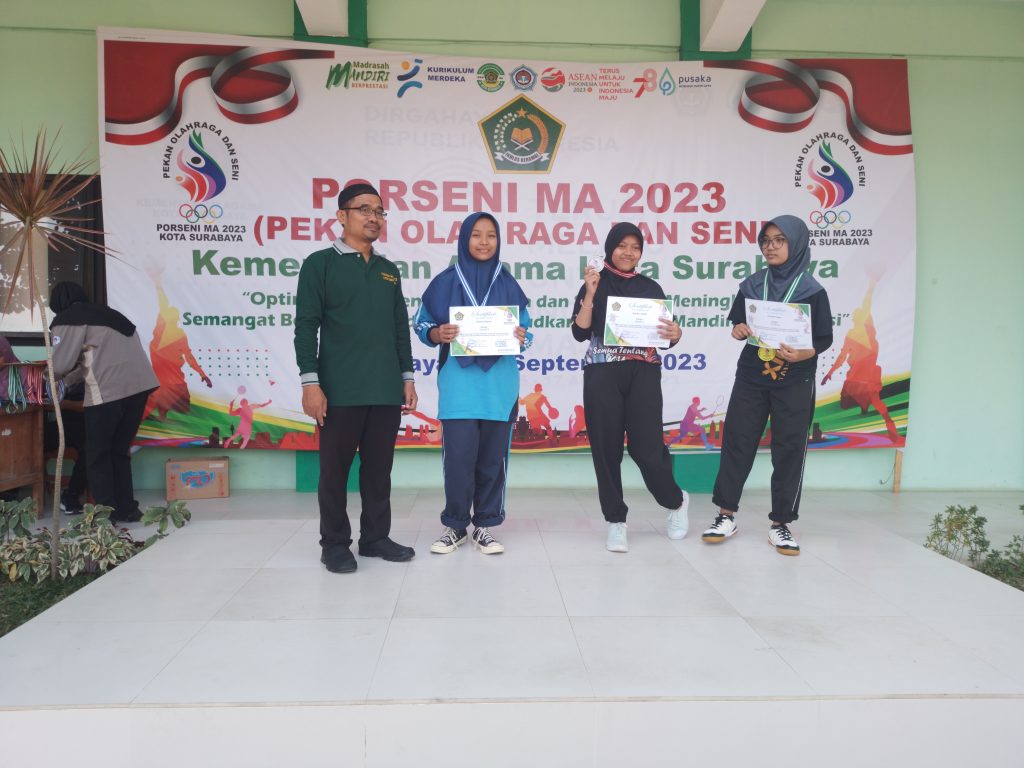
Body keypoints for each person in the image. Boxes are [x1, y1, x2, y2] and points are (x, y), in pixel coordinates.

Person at [294, 182, 417, 574]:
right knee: (334, 473)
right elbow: (305, 327)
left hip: (384, 389)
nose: (373, 218)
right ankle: (334, 544)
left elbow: (399, 328)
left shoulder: (388, 271)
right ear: (341, 216)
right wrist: (310, 383)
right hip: (339, 390)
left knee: (379, 472)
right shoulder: (319, 264)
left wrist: (407, 377)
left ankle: (375, 538)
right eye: (364, 209)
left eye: (379, 211)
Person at [701, 215, 833, 556]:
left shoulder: (812, 290)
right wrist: (738, 330)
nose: (770, 247)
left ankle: (781, 524)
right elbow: (738, 323)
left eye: (779, 240)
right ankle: (725, 515)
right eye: (766, 241)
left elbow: (823, 338)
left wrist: (804, 353)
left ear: (796, 243)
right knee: (737, 441)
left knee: (789, 448)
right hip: (752, 377)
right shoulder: (751, 285)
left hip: (795, 379)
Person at [413, 212, 530, 556]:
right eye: (476, 235)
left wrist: (521, 337)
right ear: (464, 239)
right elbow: (421, 325)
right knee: (458, 461)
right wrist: (438, 333)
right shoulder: (444, 281)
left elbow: (527, 332)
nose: (483, 242)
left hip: (499, 387)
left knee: (493, 462)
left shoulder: (508, 283)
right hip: (459, 387)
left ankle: (485, 526)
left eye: (491, 235)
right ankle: (455, 525)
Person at [570, 222, 689, 553]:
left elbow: (665, 337)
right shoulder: (595, 282)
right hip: (602, 372)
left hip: (643, 374)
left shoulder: (651, 287)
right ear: (610, 248)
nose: (628, 252)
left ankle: (676, 501)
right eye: (622, 245)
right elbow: (580, 332)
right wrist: (590, 293)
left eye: (635, 247)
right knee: (605, 449)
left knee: (647, 449)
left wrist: (676, 333)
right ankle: (616, 521)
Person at [49, 282, 159, 523]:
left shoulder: (68, 319)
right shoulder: (111, 315)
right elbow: (92, 361)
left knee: (97, 454)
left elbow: (59, 365)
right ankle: (127, 509)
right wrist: (68, 382)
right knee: (119, 450)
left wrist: (46, 382)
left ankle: (104, 516)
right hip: (139, 388)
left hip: (108, 392)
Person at [821, 280, 899, 441]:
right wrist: (829, 373)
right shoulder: (855, 335)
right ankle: (867, 408)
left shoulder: (866, 332)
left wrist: (871, 284)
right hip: (858, 377)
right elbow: (842, 357)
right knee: (860, 402)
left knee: (872, 402)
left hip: (864, 377)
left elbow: (866, 304)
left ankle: (885, 421)